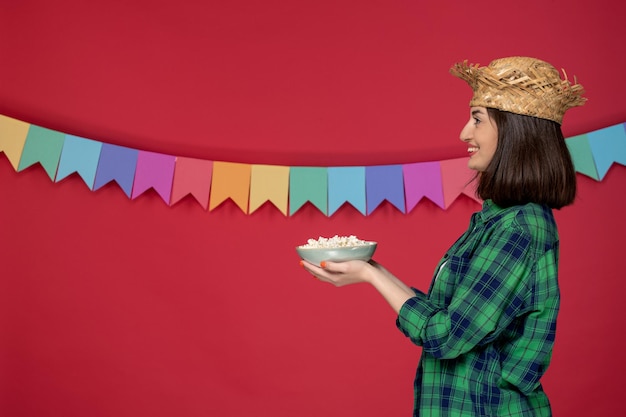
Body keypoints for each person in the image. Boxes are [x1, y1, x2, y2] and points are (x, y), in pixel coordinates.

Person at [300, 56, 586, 417]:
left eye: (477, 119)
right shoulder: (495, 220)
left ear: (514, 131)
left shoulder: (519, 229)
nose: (465, 133)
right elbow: (452, 315)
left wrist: (371, 276)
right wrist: (373, 269)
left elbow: (447, 335)